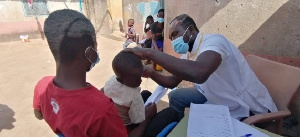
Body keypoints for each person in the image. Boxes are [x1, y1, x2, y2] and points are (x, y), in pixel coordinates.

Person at [124, 14, 278, 121]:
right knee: (176, 97)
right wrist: (150, 72)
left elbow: (199, 73)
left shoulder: (215, 42)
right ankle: (178, 126)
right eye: (171, 38)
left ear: (191, 30)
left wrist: (149, 53)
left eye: (176, 34)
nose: (174, 40)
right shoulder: (190, 52)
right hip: (216, 96)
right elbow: (172, 82)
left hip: (244, 105)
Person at [32, 9, 156, 137]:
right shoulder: (102, 111)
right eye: (96, 45)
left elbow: (39, 115)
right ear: (89, 52)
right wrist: (146, 119)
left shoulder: (42, 86)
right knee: (166, 115)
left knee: (145, 95)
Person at [103, 52, 147, 126]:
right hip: (125, 126)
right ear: (121, 80)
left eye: (140, 76)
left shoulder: (112, 80)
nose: (140, 81)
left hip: (110, 117)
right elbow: (137, 120)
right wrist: (148, 114)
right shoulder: (134, 96)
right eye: (135, 80)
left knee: (145, 93)